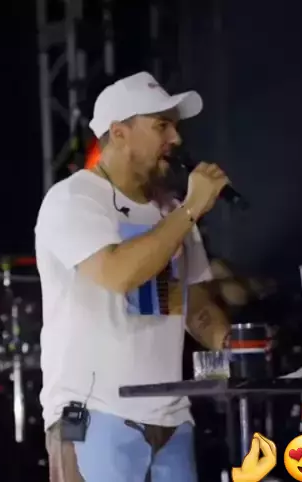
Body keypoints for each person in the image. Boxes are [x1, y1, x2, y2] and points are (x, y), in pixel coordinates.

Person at [35, 71, 239, 482]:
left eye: (175, 127)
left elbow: (192, 304)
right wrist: (190, 211)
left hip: (171, 418)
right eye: (162, 126)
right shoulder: (73, 200)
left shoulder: (170, 210)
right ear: (119, 132)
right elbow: (117, 273)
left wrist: (230, 344)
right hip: (93, 414)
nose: (176, 139)